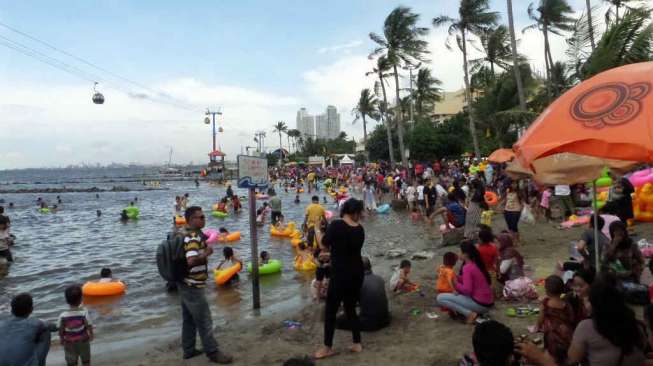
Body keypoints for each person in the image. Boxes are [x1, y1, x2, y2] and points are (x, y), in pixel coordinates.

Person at [177, 206, 232, 363]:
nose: (203, 219)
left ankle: (188, 350)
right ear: (191, 219)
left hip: (184, 282)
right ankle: (213, 352)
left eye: (203, 217)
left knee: (188, 319)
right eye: (200, 217)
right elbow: (192, 261)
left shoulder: (183, 233)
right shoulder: (193, 236)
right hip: (193, 285)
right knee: (205, 320)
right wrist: (206, 253)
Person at [314, 198, 365, 359]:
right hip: (357, 272)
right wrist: (333, 254)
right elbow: (348, 251)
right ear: (356, 213)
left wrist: (316, 229)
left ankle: (327, 347)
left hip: (341, 273)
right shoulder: (360, 229)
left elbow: (323, 244)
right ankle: (357, 342)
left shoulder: (336, 225)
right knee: (350, 307)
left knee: (330, 311)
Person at [567, 274, 647, 365]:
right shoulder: (637, 325)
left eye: (589, 300)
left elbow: (573, 357)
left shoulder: (586, 327)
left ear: (595, 304)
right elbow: (643, 347)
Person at [436, 241, 494, 324]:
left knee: (440, 298)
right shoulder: (474, 264)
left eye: (460, 251)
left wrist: (456, 283)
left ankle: (470, 314)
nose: (458, 253)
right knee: (456, 292)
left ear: (465, 254)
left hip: (481, 305)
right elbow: (467, 280)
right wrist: (455, 277)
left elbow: (467, 290)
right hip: (486, 303)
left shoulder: (467, 268)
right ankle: (471, 312)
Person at [336, 257, 390, 332]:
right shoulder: (379, 278)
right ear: (370, 267)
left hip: (369, 324)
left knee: (339, 321)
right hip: (386, 320)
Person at [0, 293, 53, 366]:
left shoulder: (1, 324)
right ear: (31, 309)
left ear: (11, 310)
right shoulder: (35, 323)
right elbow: (52, 326)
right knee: (45, 332)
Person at [537, 275, 575, 364]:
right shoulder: (566, 304)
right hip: (566, 336)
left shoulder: (545, 303)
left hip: (551, 335)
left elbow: (540, 318)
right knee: (564, 356)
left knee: (551, 354)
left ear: (547, 291)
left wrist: (538, 326)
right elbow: (571, 318)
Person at [58, 284, 93, 366]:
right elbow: (89, 326)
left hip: (69, 342)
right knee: (86, 360)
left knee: (71, 361)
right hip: (83, 341)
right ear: (81, 299)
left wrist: (61, 338)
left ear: (66, 301)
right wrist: (91, 334)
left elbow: (61, 330)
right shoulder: (84, 313)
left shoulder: (63, 316)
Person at [503, 180, 523, 245]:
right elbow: (506, 200)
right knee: (509, 227)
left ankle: (516, 240)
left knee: (514, 226)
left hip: (516, 211)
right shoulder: (507, 191)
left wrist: (523, 208)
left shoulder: (519, 192)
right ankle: (513, 239)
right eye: (513, 183)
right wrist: (500, 205)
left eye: (515, 183)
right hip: (507, 210)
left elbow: (522, 201)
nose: (514, 185)